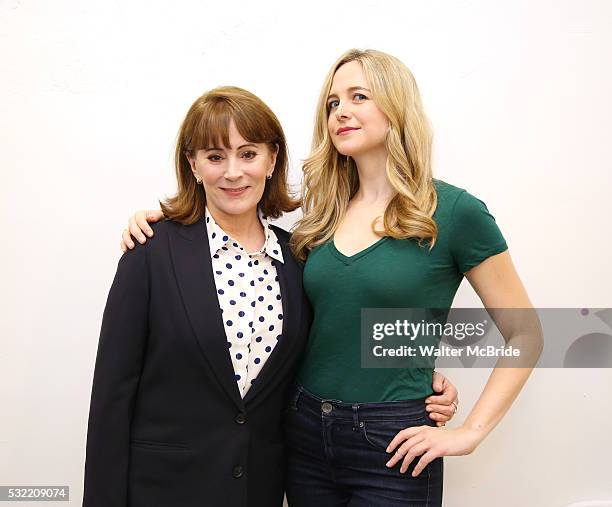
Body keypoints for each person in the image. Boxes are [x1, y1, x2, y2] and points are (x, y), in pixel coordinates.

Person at [120, 50, 543, 507]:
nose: (340, 111)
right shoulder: (322, 215)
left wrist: (469, 433)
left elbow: (529, 332)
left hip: (393, 444)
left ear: (396, 105)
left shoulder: (456, 213)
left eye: (358, 96)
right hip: (303, 436)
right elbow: (322, 325)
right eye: (332, 102)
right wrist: (169, 221)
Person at [86, 84, 459, 507]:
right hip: (163, 490)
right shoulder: (153, 252)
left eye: (247, 154)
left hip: (259, 489)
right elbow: (111, 400)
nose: (232, 172)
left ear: (271, 159)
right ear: (193, 164)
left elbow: (333, 342)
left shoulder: (301, 259)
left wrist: (417, 371)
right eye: (214, 156)